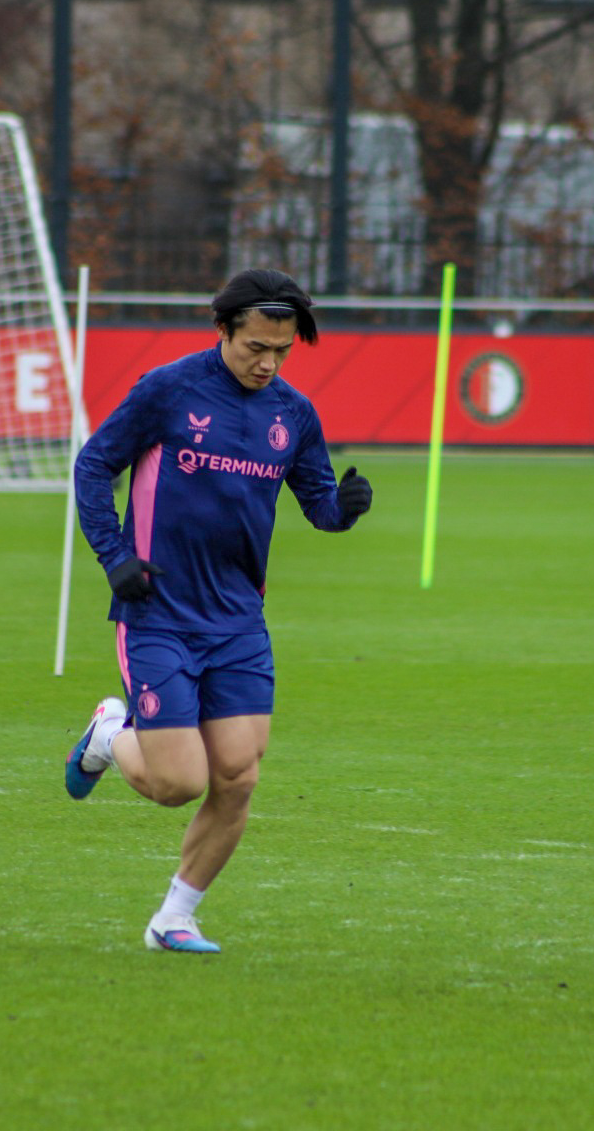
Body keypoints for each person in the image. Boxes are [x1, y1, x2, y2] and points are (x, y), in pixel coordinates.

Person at [63, 268, 373, 954]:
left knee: (238, 775)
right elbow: (93, 466)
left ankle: (175, 916)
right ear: (224, 329)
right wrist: (114, 556)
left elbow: (318, 504)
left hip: (237, 623)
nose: (267, 362)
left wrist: (344, 511)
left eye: (281, 350)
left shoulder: (292, 413)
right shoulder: (169, 389)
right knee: (178, 782)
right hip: (158, 613)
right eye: (255, 346)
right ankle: (109, 734)